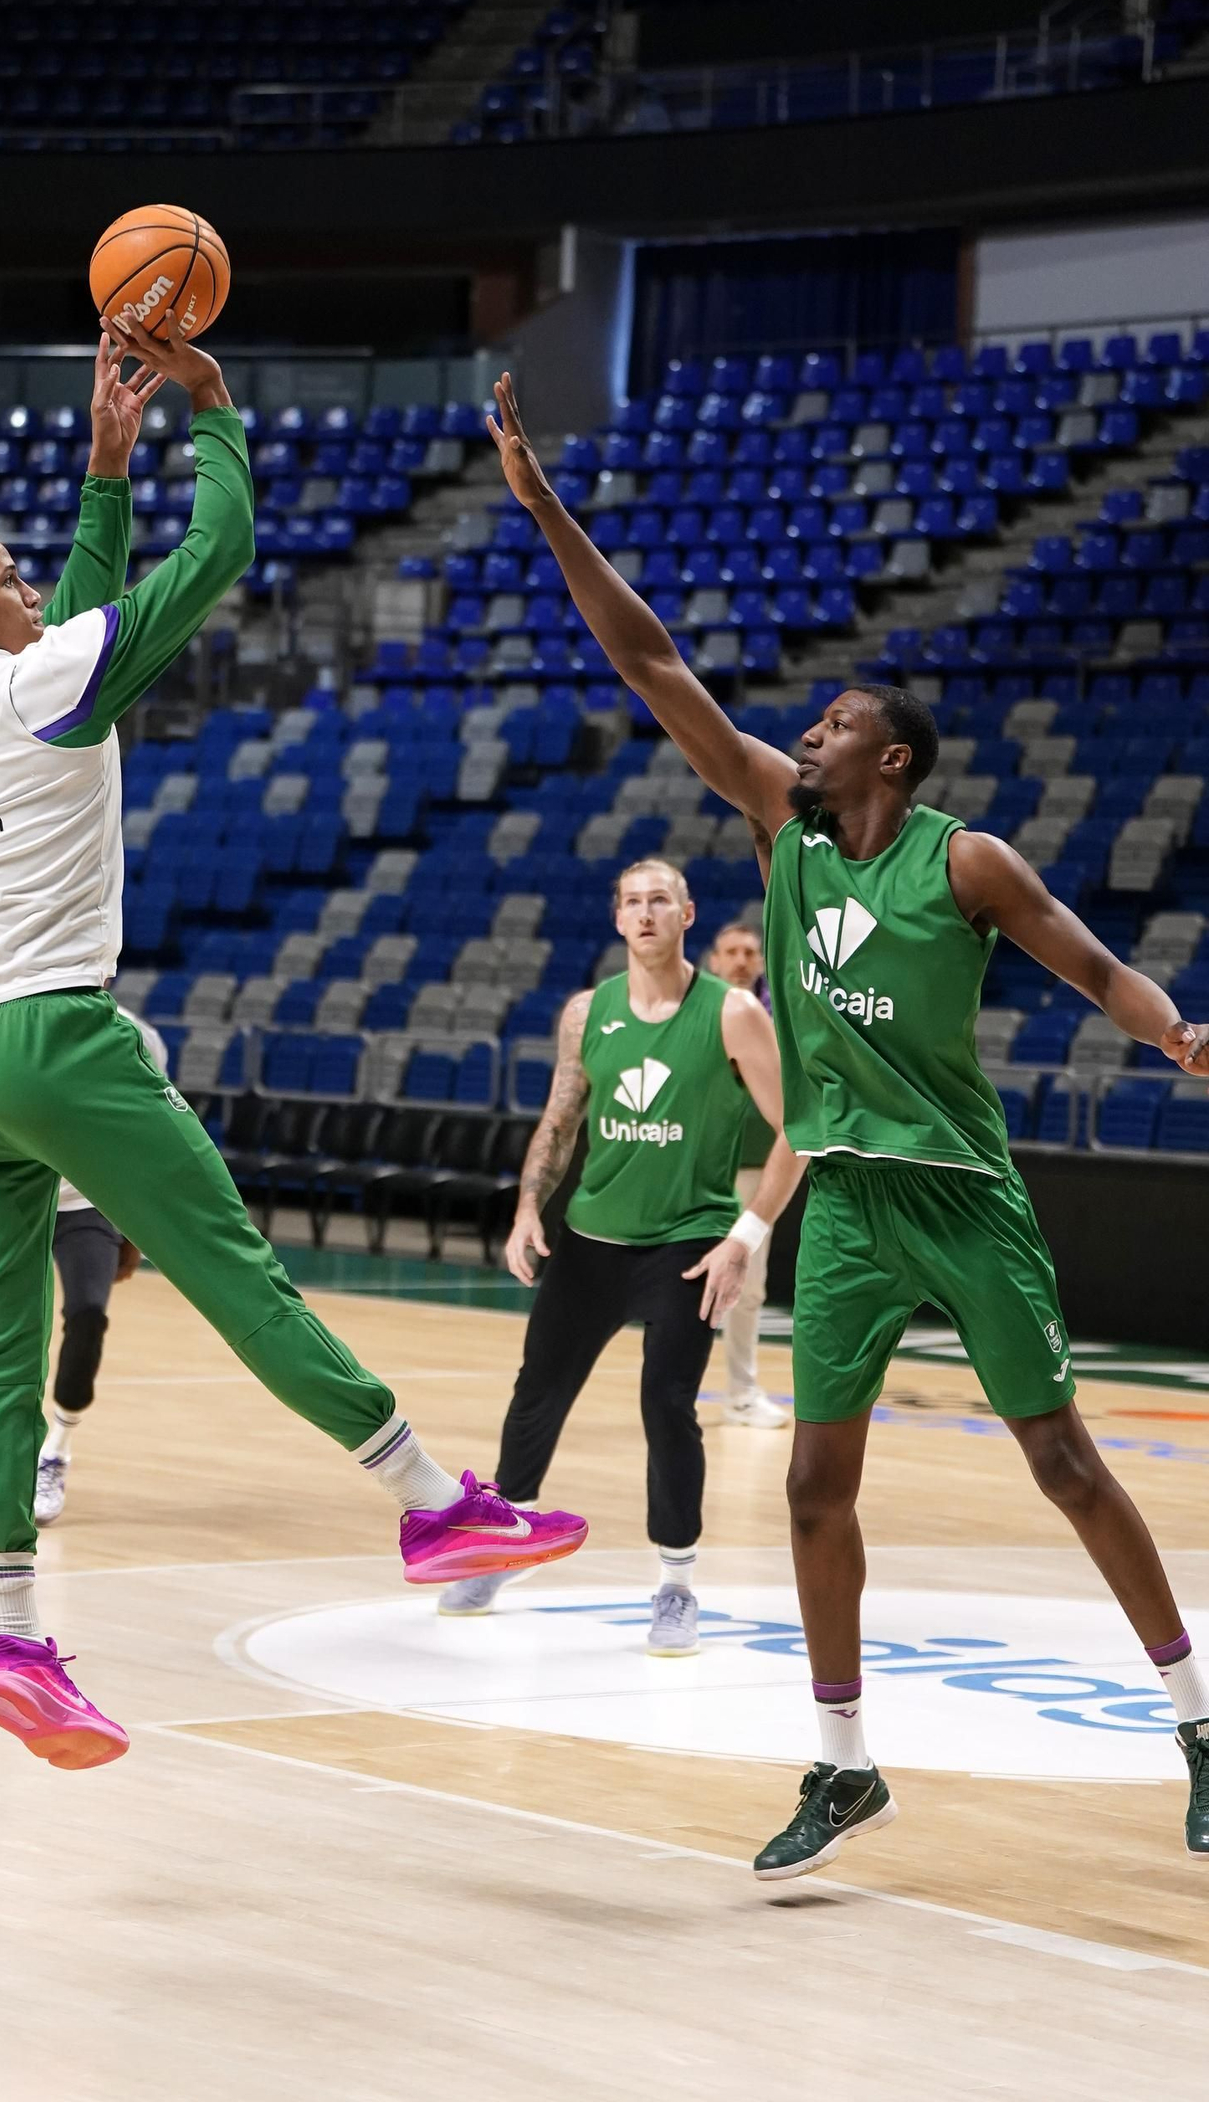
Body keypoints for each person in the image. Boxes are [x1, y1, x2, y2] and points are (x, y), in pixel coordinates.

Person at [484, 370, 1209, 1870]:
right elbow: (657, 666)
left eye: (830, 726)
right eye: (805, 726)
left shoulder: (967, 865)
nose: (801, 738)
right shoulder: (780, 829)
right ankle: (843, 1763)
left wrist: (1178, 1034)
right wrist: (549, 512)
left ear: (890, 760)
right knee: (815, 1483)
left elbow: (1091, 962)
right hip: (856, 1209)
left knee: (1066, 1466)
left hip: (959, 1195)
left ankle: (1199, 1718)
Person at [0, 321, 587, 1771]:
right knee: (233, 1269)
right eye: (2, 577)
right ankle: (429, 1500)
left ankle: (14, 1631)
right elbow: (212, 567)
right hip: (55, 1035)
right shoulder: (38, 676)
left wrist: (98, 475)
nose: (26, 587)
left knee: (3, 1352)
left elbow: (74, 616)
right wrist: (213, 419)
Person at [437, 857, 803, 1653]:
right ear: (617, 919)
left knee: (667, 1407)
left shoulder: (733, 1013)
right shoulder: (585, 1012)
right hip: (592, 1237)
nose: (645, 914)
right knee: (537, 1393)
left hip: (688, 1242)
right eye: (632, 902)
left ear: (687, 915)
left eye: (660, 901)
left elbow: (797, 1132)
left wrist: (745, 1237)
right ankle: (510, 1540)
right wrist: (529, 1205)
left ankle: (676, 1585)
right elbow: (562, 1116)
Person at [0, 1009, 167, 1529]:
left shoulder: (136, 1037)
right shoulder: (6, 1021)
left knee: (89, 1314)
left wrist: (135, 1227)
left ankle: (57, 1453)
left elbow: (148, 1133)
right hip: (15, 1199)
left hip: (86, 1205)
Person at [706, 922, 790, 1430]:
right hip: (694, 1167)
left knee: (747, 1285)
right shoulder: (699, 1011)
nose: (740, 959)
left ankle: (740, 1392)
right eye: (730, 951)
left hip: (756, 1170)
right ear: (714, 959)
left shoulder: (780, 1013)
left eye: (749, 952)